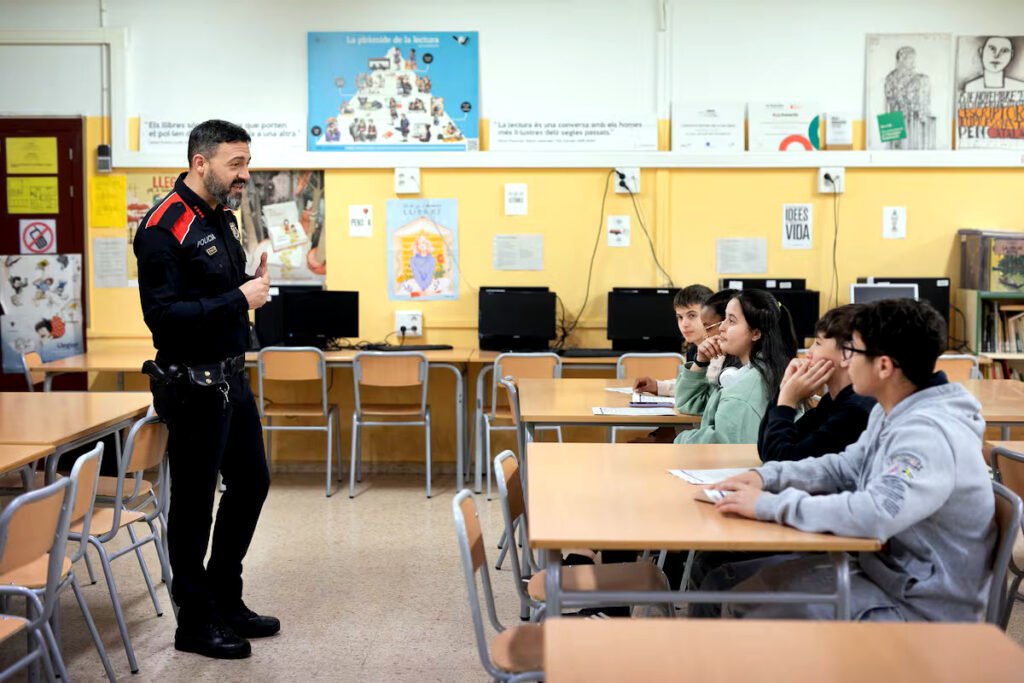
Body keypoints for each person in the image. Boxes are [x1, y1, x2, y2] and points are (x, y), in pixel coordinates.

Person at [708, 299, 995, 621]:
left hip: (917, 600)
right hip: (879, 571)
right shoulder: (895, 410)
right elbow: (844, 466)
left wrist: (768, 505)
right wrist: (766, 478)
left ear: (884, 366)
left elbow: (876, 512)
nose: (847, 360)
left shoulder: (928, 433)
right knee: (727, 585)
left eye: (853, 352)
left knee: (742, 602)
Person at [134, 120, 278, 659]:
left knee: (253, 484)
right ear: (201, 162)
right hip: (192, 387)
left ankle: (224, 596)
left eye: (246, 162)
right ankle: (194, 622)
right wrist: (241, 299)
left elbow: (223, 290)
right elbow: (164, 318)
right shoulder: (162, 227)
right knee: (194, 509)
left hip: (230, 379)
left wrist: (246, 289)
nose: (245, 173)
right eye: (235, 164)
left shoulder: (220, 216)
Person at [674, 290, 797, 444]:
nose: (721, 327)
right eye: (724, 319)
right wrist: (701, 362)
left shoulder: (745, 391)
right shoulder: (753, 369)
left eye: (731, 321)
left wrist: (679, 439)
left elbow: (722, 446)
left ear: (756, 333)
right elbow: (690, 404)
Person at [757, 304, 876, 462]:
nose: (809, 352)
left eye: (818, 344)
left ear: (847, 354)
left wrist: (787, 401)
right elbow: (767, 449)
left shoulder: (855, 412)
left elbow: (781, 460)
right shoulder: (832, 401)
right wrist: (783, 390)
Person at [632, 284, 713, 397]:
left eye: (692, 316)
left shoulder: (719, 350)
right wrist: (657, 386)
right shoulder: (693, 351)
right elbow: (689, 386)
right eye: (680, 317)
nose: (684, 324)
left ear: (710, 316)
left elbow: (702, 392)